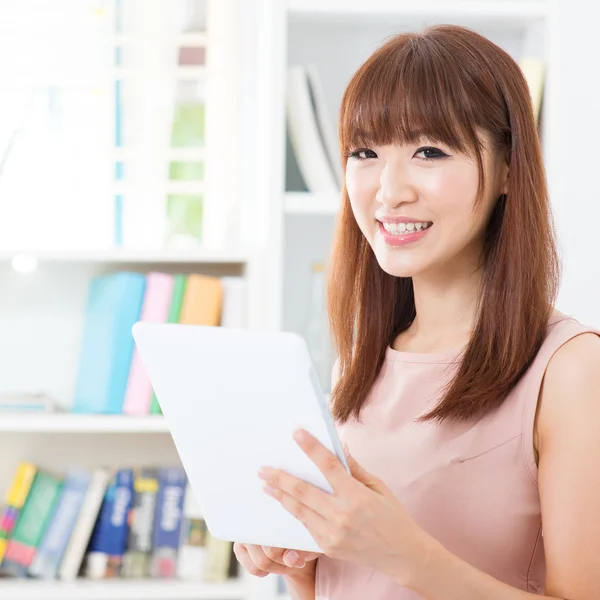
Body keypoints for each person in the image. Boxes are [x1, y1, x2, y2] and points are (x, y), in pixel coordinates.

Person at [234, 24, 600, 599]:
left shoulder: (571, 371)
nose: (389, 189)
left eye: (428, 151)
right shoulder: (356, 363)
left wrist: (403, 554)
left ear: (508, 168)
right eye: (365, 153)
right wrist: (302, 561)